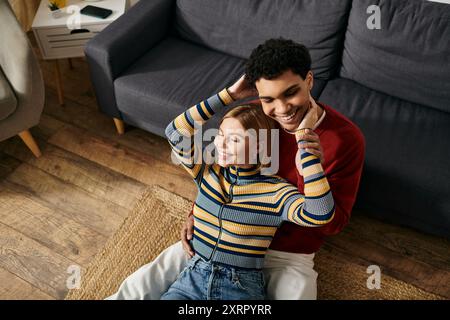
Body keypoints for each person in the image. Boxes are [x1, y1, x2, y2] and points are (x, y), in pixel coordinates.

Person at [107, 38, 365, 300]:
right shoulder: (253, 118)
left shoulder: (346, 139)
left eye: (290, 92)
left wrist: (309, 158)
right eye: (268, 99)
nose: (282, 109)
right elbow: (210, 164)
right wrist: (199, 211)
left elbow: (331, 223)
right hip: (216, 239)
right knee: (137, 287)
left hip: (286, 254)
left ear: (309, 80)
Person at [159, 87, 335, 299]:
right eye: (220, 134)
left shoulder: (275, 192)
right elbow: (175, 132)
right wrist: (229, 94)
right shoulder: (207, 172)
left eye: (234, 140)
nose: (220, 144)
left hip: (239, 289)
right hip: (191, 280)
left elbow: (320, 214)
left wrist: (308, 157)